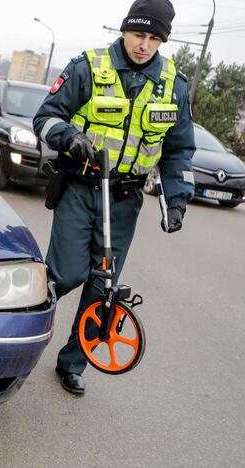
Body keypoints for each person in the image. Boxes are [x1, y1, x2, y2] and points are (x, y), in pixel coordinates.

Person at [33, 0, 195, 395]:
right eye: (139, 34)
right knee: (66, 274)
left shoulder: (173, 85)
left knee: (102, 287)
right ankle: (16, 335)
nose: (144, 45)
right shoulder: (88, 67)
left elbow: (179, 151)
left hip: (124, 199)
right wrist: (69, 138)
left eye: (154, 38)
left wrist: (176, 200)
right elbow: (46, 117)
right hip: (81, 187)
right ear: (124, 30)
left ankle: (73, 363)